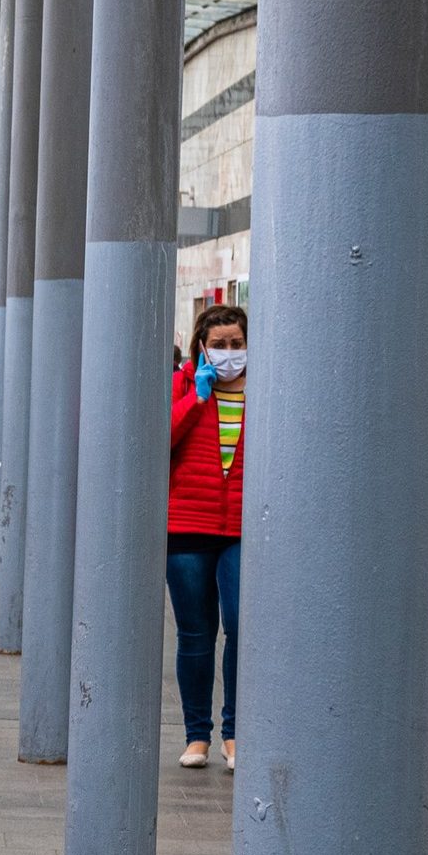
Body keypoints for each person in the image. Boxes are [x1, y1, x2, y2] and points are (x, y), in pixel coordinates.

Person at [167, 303, 247, 770]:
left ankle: (234, 733)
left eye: (237, 344)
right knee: (196, 634)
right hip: (187, 527)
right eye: (219, 345)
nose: (229, 353)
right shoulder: (183, 385)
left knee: (240, 626)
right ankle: (197, 736)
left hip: (241, 529)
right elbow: (164, 441)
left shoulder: (263, 387)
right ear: (202, 346)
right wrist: (196, 399)